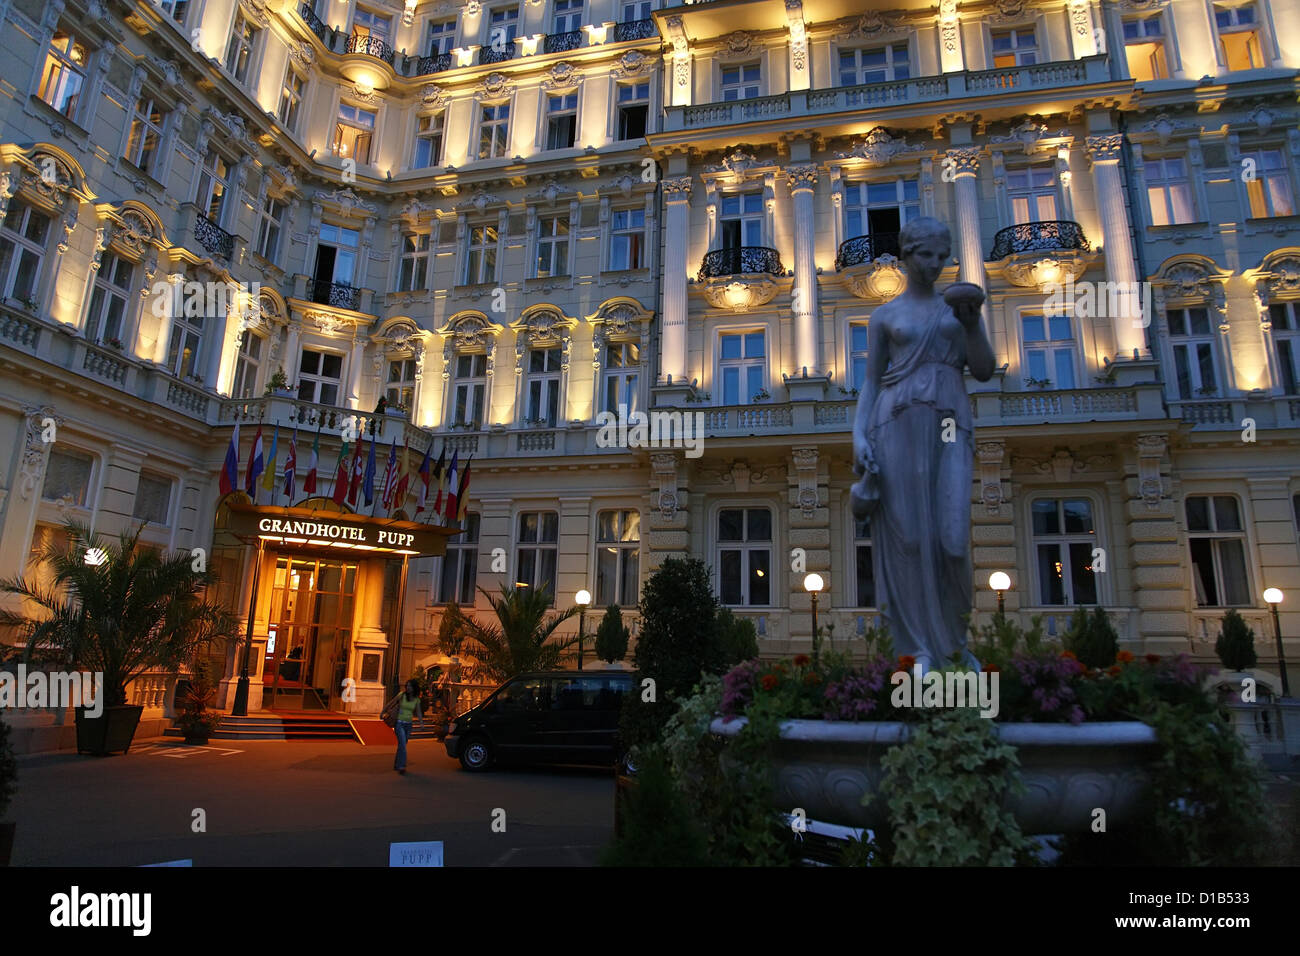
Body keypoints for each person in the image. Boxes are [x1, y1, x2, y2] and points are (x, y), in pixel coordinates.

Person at [851, 216, 995, 673]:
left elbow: (986, 370)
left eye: (941, 255)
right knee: (908, 539)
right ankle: (918, 650)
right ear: (906, 255)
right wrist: (858, 436)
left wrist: (972, 325)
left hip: (951, 422)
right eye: (925, 255)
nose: (935, 264)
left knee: (952, 540)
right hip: (894, 424)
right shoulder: (885, 315)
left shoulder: (957, 308)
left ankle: (954, 645)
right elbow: (870, 384)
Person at [383, 679, 425, 775]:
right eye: (407, 686)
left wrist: (421, 723)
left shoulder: (416, 699)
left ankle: (397, 764)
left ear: (414, 688)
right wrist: (382, 712)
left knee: (402, 745)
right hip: (399, 723)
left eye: (410, 686)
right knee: (402, 744)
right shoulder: (401, 695)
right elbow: (391, 703)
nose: (408, 688)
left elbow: (418, 712)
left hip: (408, 725)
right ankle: (402, 766)